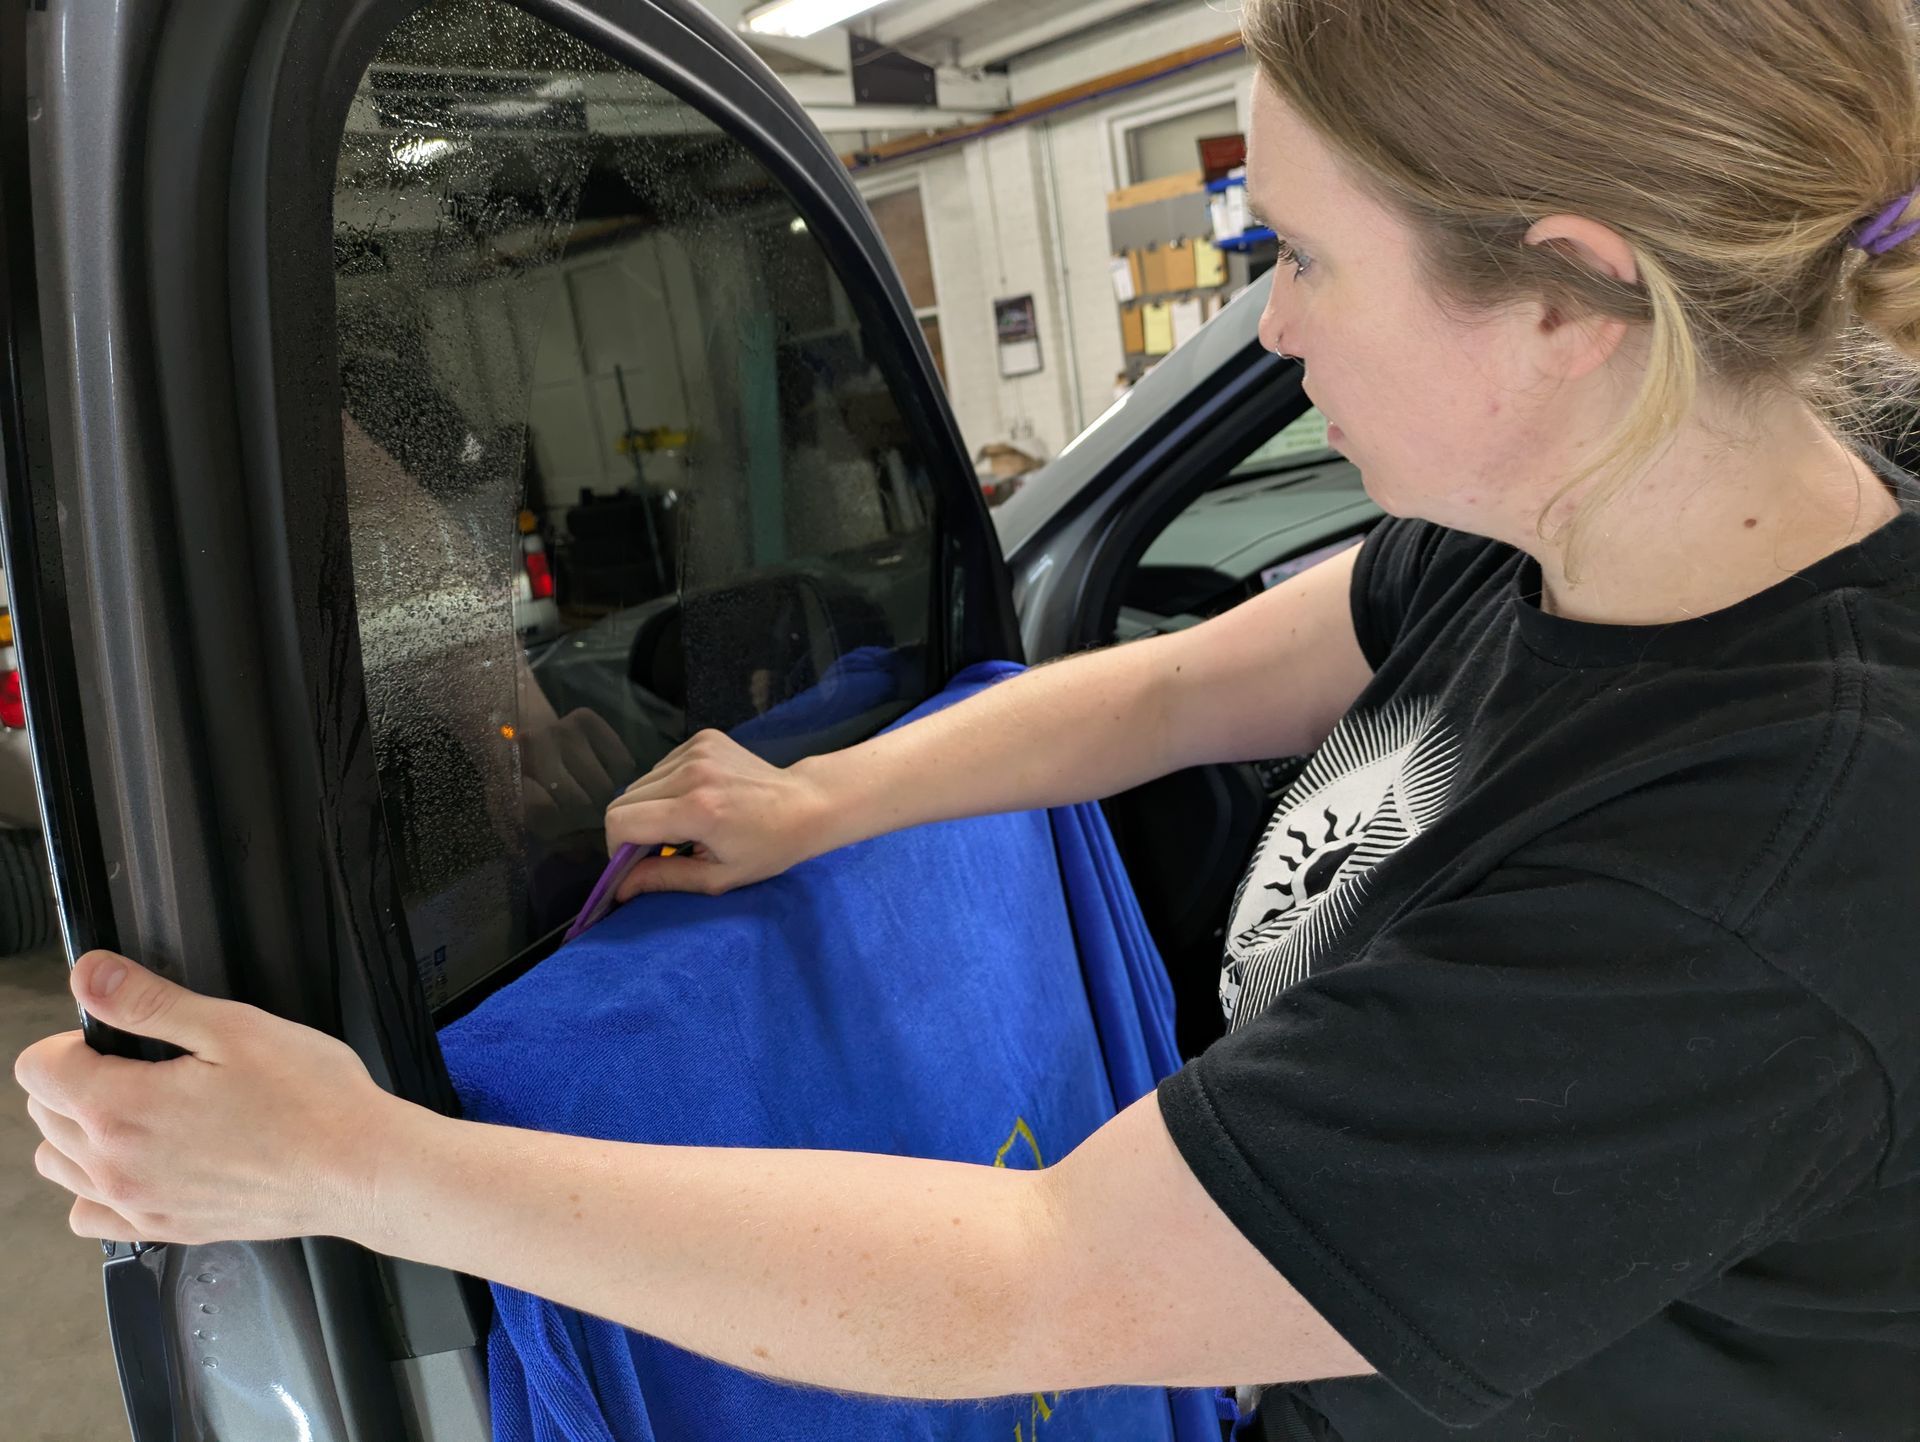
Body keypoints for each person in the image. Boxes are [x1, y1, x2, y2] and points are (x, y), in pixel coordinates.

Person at [16, 0, 1920, 1435]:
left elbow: (1039, 1287)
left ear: (1574, 297)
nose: (1271, 329)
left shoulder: (1756, 866)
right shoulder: (1552, 550)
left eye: (1307, 260)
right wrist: (825, 798)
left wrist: (353, 1167)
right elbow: (1187, 679)